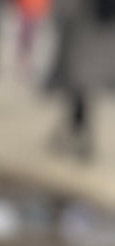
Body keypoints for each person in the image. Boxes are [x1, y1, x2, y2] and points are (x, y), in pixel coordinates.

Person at [48, 0, 115, 160]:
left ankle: (80, 134)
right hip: (97, 40)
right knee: (82, 90)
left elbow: (65, 11)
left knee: (79, 88)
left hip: (81, 38)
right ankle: (75, 130)